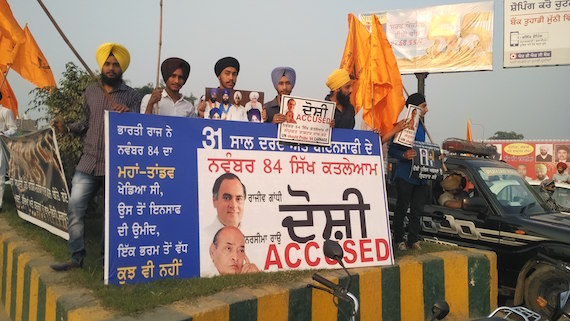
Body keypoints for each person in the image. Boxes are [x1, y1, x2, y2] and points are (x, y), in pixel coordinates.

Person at [50, 43, 142, 271]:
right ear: (102, 66)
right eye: (107, 64)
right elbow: (85, 123)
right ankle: (76, 256)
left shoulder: (132, 96)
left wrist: (128, 116)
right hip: (89, 161)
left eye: (115, 65)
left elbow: (140, 128)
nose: (111, 68)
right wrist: (66, 128)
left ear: (122, 69)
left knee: (110, 216)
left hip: (117, 166)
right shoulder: (91, 91)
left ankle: (105, 262)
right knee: (74, 208)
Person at [388, 92, 429, 251]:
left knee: (417, 210)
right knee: (402, 208)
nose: (427, 109)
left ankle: (413, 239)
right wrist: (403, 155)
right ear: (414, 108)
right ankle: (398, 239)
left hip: (421, 175)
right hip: (405, 175)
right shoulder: (403, 124)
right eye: (424, 106)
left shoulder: (423, 127)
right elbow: (392, 149)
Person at [0, 93, 17, 211]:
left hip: (0, 147)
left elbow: (13, 129)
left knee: (0, 176)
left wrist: (3, 133)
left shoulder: (5, 112)